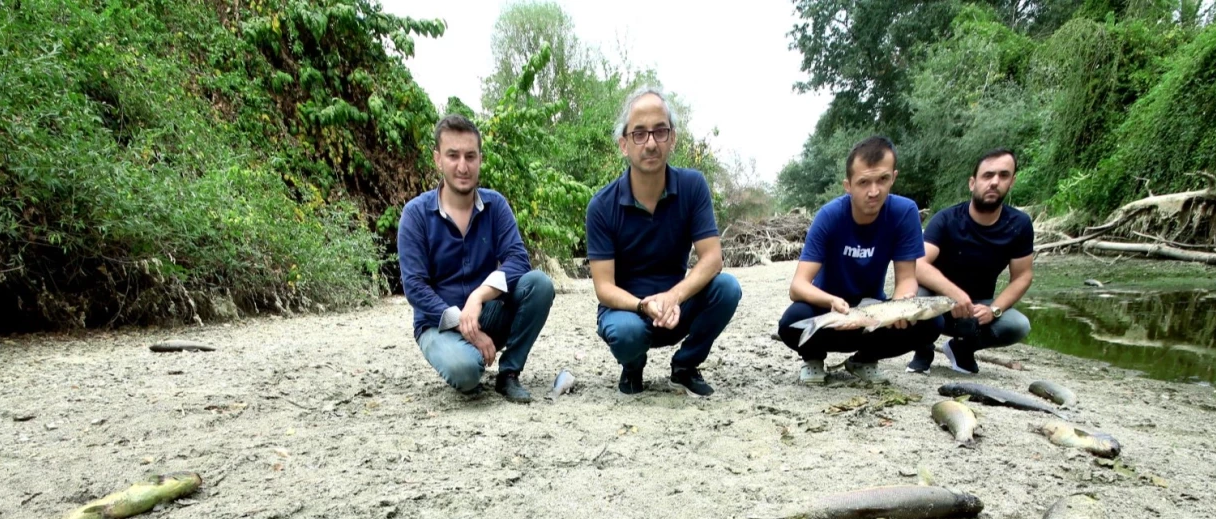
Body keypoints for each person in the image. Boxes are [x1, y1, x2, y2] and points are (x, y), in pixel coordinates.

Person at [586, 87, 741, 397]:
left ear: (672, 138)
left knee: (727, 288)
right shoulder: (601, 206)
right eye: (639, 134)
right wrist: (643, 305)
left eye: (660, 131)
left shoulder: (693, 186)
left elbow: (712, 259)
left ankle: (685, 365)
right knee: (626, 332)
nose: (651, 143)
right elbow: (604, 288)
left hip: (677, 308)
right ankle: (633, 366)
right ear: (624, 144)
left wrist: (673, 296)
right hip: (628, 312)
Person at [397, 114, 555, 402]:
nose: (462, 166)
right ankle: (470, 356)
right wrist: (464, 326)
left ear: (480, 158)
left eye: (470, 156)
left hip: (486, 311)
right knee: (467, 372)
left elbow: (518, 260)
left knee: (539, 284)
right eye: (453, 155)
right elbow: (416, 288)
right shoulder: (415, 215)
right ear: (437, 159)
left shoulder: (496, 205)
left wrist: (479, 296)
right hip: (437, 323)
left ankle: (509, 373)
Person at [778, 136, 932, 385]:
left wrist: (903, 305)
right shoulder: (829, 216)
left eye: (882, 179)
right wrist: (831, 301)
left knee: (930, 321)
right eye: (863, 183)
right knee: (791, 321)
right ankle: (813, 358)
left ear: (893, 177)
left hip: (873, 313)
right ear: (848, 185)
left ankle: (864, 359)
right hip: (829, 312)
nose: (874, 191)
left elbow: (906, 279)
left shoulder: (904, 212)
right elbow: (798, 287)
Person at [909, 148, 1034, 374]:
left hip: (979, 308)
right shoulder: (946, 219)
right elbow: (917, 263)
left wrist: (994, 309)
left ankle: (961, 349)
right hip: (939, 303)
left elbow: (1023, 276)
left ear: (1012, 181)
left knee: (1018, 325)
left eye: (1003, 176)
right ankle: (923, 349)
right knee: (916, 296)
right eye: (988, 175)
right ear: (972, 183)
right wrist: (954, 295)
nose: (995, 182)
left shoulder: (1020, 224)